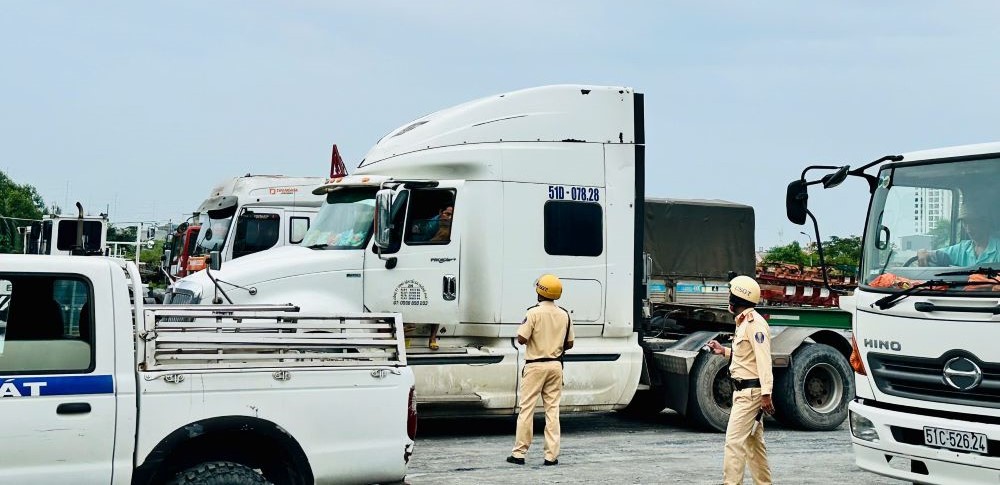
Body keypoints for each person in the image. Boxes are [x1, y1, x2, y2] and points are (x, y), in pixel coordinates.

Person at [706, 275, 773, 485]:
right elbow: (747, 356)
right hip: (744, 392)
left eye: (730, 294)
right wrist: (723, 351)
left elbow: (763, 360)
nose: (728, 299)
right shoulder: (744, 322)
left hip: (750, 394)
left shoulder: (755, 324)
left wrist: (766, 395)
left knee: (734, 443)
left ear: (737, 298)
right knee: (754, 444)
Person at [507, 274, 574, 467]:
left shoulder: (533, 313)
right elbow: (569, 343)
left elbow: (521, 338)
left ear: (539, 292)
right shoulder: (564, 314)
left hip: (535, 365)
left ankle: (519, 454)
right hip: (555, 365)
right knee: (552, 411)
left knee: (527, 409)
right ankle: (551, 456)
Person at [918, 204, 1000, 266]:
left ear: (984, 223)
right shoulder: (963, 248)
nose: (968, 229)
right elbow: (938, 254)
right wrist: (923, 253)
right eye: (965, 223)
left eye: (972, 223)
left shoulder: (997, 248)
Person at [426, 205, 453, 350]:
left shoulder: (454, 226)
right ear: (440, 212)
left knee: (436, 304)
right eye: (446, 214)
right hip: (425, 263)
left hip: (440, 266)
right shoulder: (431, 224)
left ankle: (433, 337)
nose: (448, 218)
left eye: (451, 215)